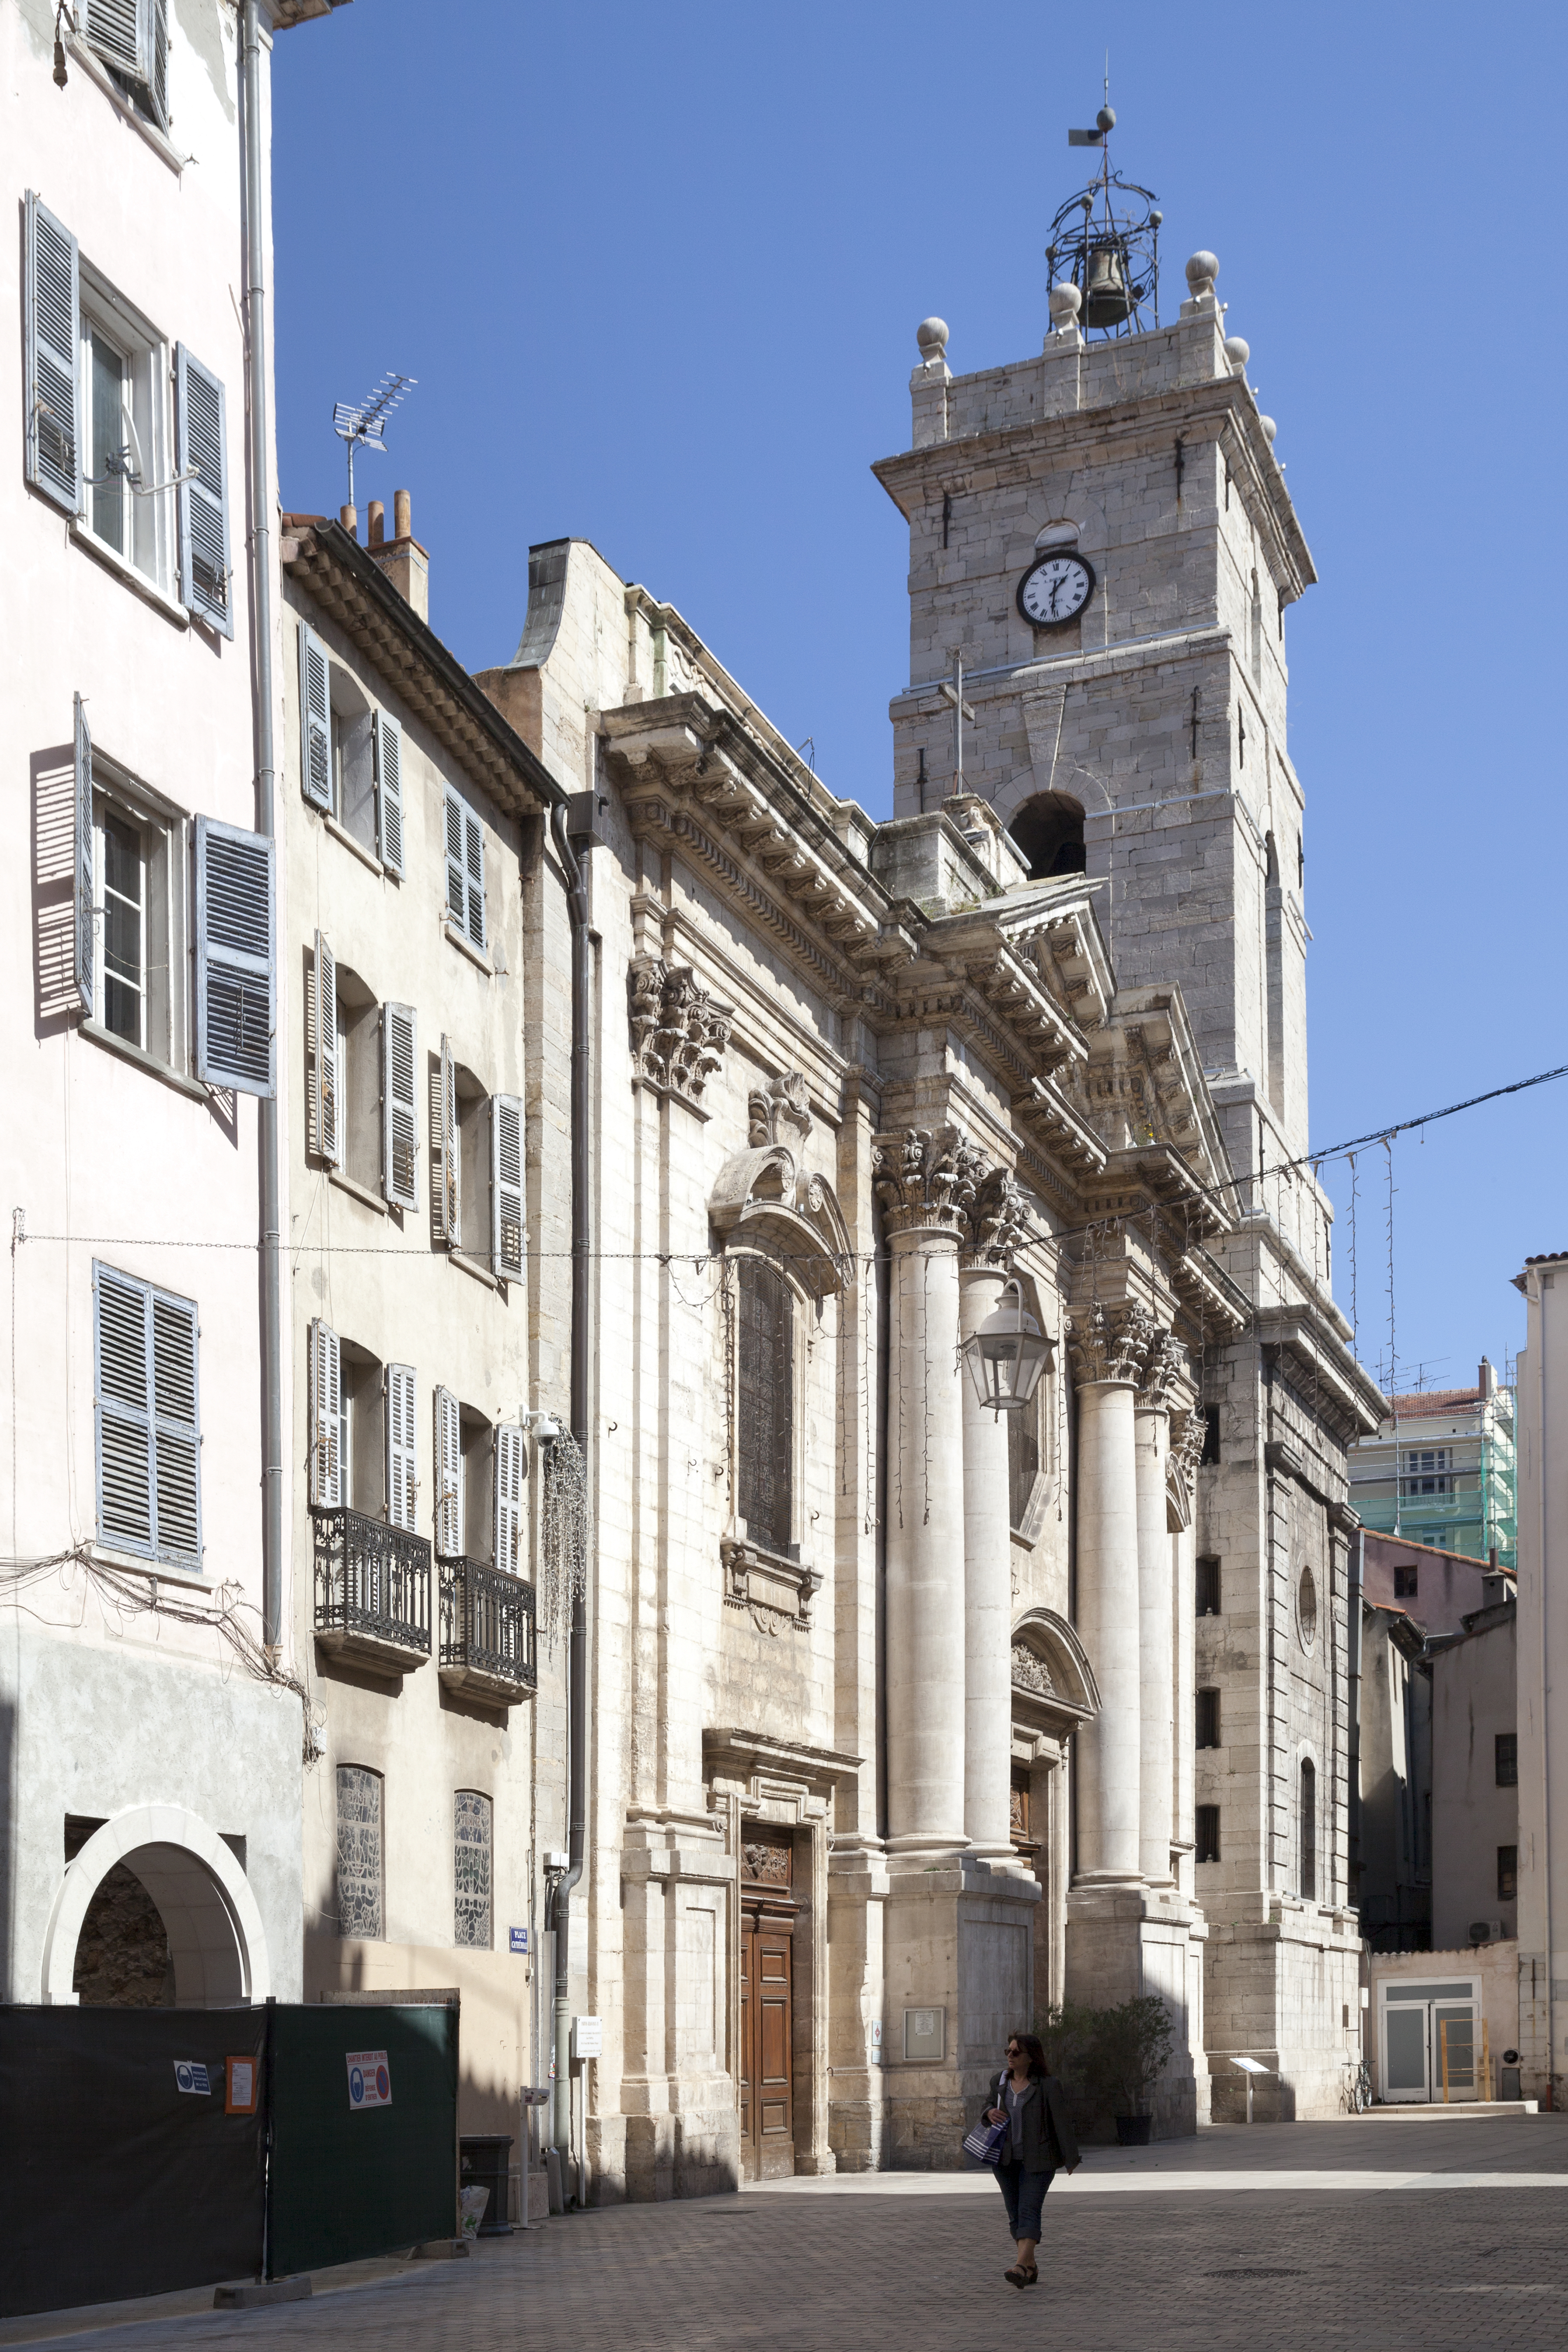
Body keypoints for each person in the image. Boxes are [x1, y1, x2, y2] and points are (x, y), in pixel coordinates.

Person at [984, 2031, 1080, 2288]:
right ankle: (1030, 2266)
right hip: (1004, 2161)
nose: (1011, 2056)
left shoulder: (1047, 2085)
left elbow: (1062, 2122)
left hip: (1039, 2160)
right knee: (1015, 2214)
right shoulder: (999, 2082)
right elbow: (986, 2107)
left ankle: (1019, 2266)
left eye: (1016, 2052)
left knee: (1029, 2210)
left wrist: (1070, 2158)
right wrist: (989, 2112)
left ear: (1031, 2057)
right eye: (1009, 2051)